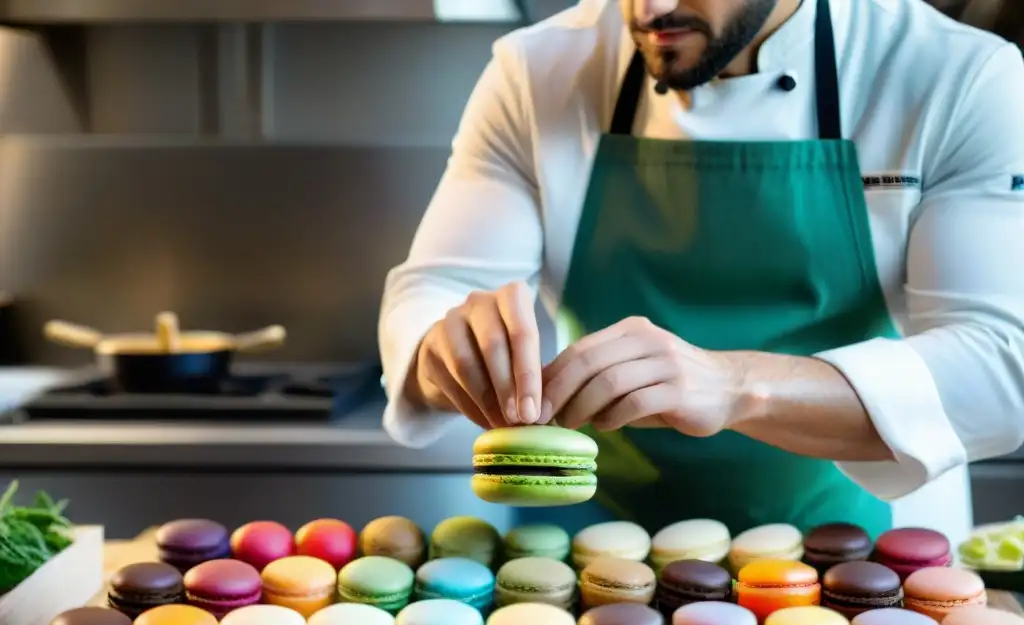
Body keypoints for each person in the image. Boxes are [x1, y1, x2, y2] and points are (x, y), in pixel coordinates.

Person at [378, 0, 1024, 543]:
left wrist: (735, 384)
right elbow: (438, 286)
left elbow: (1002, 361)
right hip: (588, 542)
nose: (650, 10)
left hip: (864, 547)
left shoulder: (953, 74)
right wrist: (446, 348)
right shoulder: (537, 68)